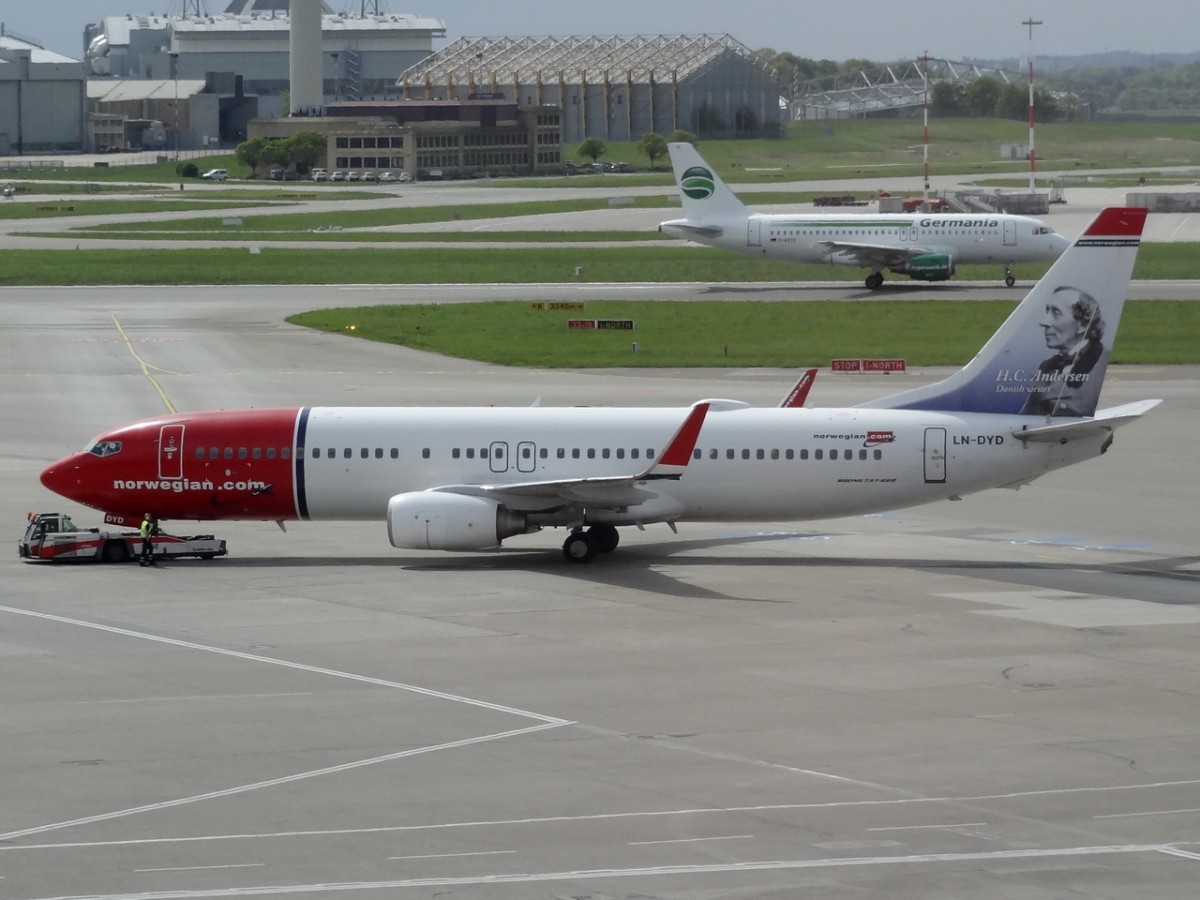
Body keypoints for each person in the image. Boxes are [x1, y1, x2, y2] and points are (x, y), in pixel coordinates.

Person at [1020, 286, 1108, 417]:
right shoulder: (1047, 366)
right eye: (1047, 311)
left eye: (1055, 313)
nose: (1043, 322)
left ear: (1083, 324)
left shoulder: (1100, 365)